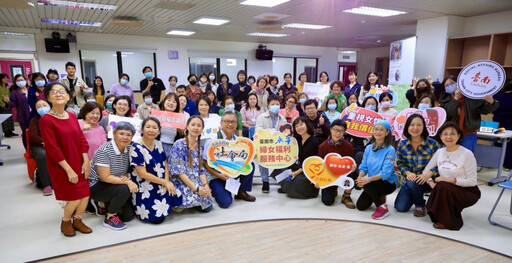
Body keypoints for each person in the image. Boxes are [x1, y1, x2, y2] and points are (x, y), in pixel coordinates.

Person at [40, 83, 92, 237]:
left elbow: (81, 139)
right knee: (74, 198)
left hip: (78, 159)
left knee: (85, 195)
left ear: (68, 96)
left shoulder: (71, 116)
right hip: (61, 164)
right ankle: (66, 221)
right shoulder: (46, 120)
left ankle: (78, 220)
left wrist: (85, 160)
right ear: (48, 97)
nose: (58, 94)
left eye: (62, 91)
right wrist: (68, 170)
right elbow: (52, 148)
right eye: (54, 92)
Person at [424, 122, 481, 230]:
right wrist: (431, 182)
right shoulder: (440, 152)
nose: (448, 137)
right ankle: (442, 215)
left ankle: (450, 221)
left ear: (459, 136)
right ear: (440, 136)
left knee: (443, 185)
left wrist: (448, 180)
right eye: (445, 134)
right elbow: (426, 170)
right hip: (446, 189)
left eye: (452, 134)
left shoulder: (467, 154)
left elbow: (472, 181)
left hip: (467, 191)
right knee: (442, 186)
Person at [130, 117, 182, 223]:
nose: (151, 130)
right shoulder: (136, 147)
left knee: (177, 196)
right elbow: (142, 174)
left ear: (159, 131)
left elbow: (165, 163)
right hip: (145, 185)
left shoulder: (159, 143)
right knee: (156, 218)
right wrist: (165, 182)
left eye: (154, 128)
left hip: (161, 181)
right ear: (142, 129)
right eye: (148, 127)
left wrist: (166, 182)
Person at [89, 122, 137, 230]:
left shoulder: (129, 149)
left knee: (127, 216)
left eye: (128, 135)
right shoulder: (104, 151)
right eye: (121, 134)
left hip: (115, 182)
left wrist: (125, 178)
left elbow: (126, 170)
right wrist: (127, 181)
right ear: (114, 134)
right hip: (97, 185)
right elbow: (105, 177)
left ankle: (104, 204)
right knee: (124, 189)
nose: (125, 137)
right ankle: (110, 217)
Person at [203, 112, 256, 206]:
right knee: (225, 203)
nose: (230, 124)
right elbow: (205, 162)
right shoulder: (213, 140)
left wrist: (251, 155)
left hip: (232, 173)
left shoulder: (238, 140)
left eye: (233, 122)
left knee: (250, 165)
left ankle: (241, 192)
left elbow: (244, 158)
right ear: (221, 123)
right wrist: (219, 175)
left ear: (236, 124)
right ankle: (217, 190)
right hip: (216, 176)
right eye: (227, 121)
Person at [394, 114, 441, 217]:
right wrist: (407, 172)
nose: (415, 128)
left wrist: (429, 174)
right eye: (412, 125)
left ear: (423, 127)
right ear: (407, 127)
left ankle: (420, 205)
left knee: (412, 182)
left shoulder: (433, 144)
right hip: (411, 181)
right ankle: (416, 195)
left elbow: (440, 164)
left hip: (428, 182)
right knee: (400, 207)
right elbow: (400, 163)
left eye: (419, 125)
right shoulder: (402, 144)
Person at [441, 79, 499, 152]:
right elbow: (449, 113)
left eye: (452, 83)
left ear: (458, 83)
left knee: (466, 158)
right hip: (450, 134)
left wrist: (492, 102)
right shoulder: (443, 100)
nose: (450, 86)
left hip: (468, 133)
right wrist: (455, 99)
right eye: (447, 85)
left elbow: (485, 110)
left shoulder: (472, 97)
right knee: (450, 158)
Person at [355, 120, 397, 220]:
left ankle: (382, 207)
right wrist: (360, 177)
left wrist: (366, 180)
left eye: (382, 130)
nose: (378, 132)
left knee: (367, 184)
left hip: (387, 182)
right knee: (360, 206)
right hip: (372, 182)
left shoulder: (390, 149)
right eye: (376, 129)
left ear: (387, 133)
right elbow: (363, 166)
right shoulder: (369, 148)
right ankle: (379, 196)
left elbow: (386, 174)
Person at [169, 116, 213, 212]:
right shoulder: (179, 144)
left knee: (208, 208)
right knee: (181, 203)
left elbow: (201, 171)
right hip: (181, 181)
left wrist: (205, 185)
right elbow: (179, 172)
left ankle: (193, 201)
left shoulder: (199, 148)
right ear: (187, 127)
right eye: (193, 125)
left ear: (202, 130)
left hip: (195, 181)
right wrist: (196, 189)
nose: (195, 128)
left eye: (199, 126)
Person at [278, 117, 321, 199]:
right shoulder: (297, 139)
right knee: (279, 170)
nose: (299, 128)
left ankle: (291, 188)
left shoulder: (314, 141)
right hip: (299, 166)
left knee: (296, 180)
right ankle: (287, 187)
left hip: (309, 169)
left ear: (307, 125)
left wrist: (296, 173)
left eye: (301, 124)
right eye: (296, 126)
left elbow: (310, 162)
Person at [317, 120, 357, 207]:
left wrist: (353, 167)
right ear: (331, 129)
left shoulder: (348, 146)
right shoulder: (322, 146)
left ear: (344, 132)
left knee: (355, 173)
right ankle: (333, 188)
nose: (338, 133)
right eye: (335, 130)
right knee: (327, 201)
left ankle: (346, 196)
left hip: (342, 174)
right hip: (329, 176)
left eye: (341, 131)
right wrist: (318, 180)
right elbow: (320, 165)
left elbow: (350, 162)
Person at [256, 95, 288, 192]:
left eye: (277, 104)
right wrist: (272, 133)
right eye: (273, 104)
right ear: (268, 106)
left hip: (278, 146)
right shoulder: (261, 117)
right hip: (265, 144)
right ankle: (265, 181)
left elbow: (287, 135)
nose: (275, 106)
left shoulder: (282, 119)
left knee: (285, 158)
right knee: (262, 157)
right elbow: (258, 133)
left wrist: (284, 130)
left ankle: (282, 181)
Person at [28, 99, 52, 195]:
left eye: (44, 105)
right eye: (39, 106)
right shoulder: (34, 121)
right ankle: (46, 184)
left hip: (54, 144)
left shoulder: (55, 118)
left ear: (49, 106)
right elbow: (33, 136)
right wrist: (44, 142)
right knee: (43, 155)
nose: (42, 108)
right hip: (39, 146)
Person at [493, 81, 512, 170]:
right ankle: (507, 165)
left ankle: (495, 163)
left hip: (498, 124)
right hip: (510, 124)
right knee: (510, 146)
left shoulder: (497, 97)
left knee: (498, 142)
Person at [9, 74, 30, 149]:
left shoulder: (31, 89)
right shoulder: (15, 93)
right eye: (18, 80)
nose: (20, 82)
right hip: (23, 116)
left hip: (34, 114)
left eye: (22, 80)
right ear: (15, 82)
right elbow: (12, 104)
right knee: (26, 134)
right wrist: (8, 101)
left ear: (25, 80)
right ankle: (28, 150)